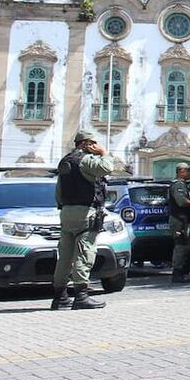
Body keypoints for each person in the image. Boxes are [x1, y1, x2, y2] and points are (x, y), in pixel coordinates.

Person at [52, 130, 114, 310]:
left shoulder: (65, 161)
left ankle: (60, 297)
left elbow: (59, 190)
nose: (95, 146)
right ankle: (81, 296)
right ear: (86, 144)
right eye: (93, 143)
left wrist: (64, 207)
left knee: (64, 256)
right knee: (84, 253)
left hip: (67, 211)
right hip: (85, 211)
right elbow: (106, 168)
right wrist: (104, 153)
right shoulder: (85, 160)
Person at [168, 163, 190, 283]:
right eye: (187, 171)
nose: (189, 173)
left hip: (183, 220)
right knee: (180, 246)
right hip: (179, 220)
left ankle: (181, 271)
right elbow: (181, 201)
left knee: (185, 246)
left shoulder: (183, 185)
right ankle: (177, 273)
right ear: (181, 172)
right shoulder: (178, 185)